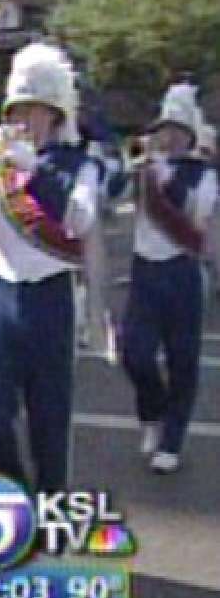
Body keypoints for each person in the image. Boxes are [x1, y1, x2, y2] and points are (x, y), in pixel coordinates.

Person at [0, 42, 109, 494]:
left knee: (50, 424)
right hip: (1, 296)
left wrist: (36, 173)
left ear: (56, 115)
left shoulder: (79, 165)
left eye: (34, 110)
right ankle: (19, 491)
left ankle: (49, 517)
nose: (23, 121)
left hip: (52, 298)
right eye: (16, 111)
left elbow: (80, 219)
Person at [119, 83, 216, 474]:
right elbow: (109, 200)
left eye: (177, 129)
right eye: (164, 128)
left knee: (182, 360)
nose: (169, 135)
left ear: (190, 135)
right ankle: (153, 413)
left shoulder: (202, 176)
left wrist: (162, 181)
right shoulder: (143, 168)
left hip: (182, 272)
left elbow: (198, 222)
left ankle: (172, 440)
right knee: (135, 353)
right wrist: (136, 173)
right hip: (145, 270)